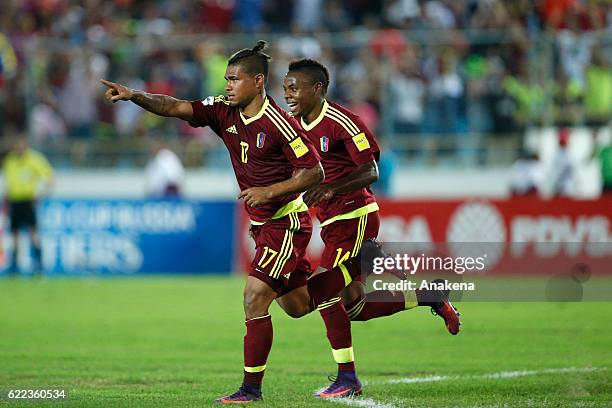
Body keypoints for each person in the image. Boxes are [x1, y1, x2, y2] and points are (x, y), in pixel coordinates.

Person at [101, 41, 378, 404]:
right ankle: (394, 286)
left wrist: (269, 191)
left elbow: (314, 171)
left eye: (234, 79)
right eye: (226, 79)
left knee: (253, 296)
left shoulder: (280, 123)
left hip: (287, 221)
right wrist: (135, 95)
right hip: (264, 226)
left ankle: (251, 389)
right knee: (299, 305)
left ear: (258, 81)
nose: (227, 85)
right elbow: (175, 106)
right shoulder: (222, 111)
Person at [280, 58, 461, 381]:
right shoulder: (293, 125)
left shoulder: (341, 121)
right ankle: (427, 294)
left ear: (317, 89)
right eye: (285, 89)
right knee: (355, 308)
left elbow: (370, 170)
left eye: (295, 88)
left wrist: (330, 189)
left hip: (354, 214)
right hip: (331, 221)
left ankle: (347, 378)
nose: (288, 95)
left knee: (323, 293)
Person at [2, 135, 54, 275]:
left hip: (28, 201)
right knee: (15, 235)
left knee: (33, 233)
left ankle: (38, 266)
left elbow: (49, 178)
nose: (19, 147)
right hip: (14, 201)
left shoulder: (34, 159)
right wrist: (6, 203)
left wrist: (41, 195)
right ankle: (14, 267)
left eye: (21, 144)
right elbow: (8, 184)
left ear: (26, 144)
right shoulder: (10, 161)